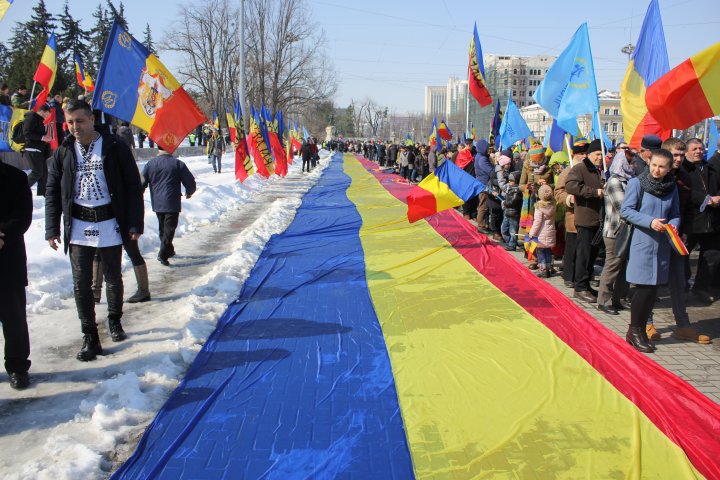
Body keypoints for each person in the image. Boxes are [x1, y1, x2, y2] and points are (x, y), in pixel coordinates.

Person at [45, 100, 144, 361]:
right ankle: (90, 336)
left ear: (91, 120)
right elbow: (52, 191)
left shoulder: (114, 147)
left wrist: (135, 223)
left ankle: (114, 320)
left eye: (80, 121)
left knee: (113, 275)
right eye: (69, 122)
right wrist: (51, 227)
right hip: (78, 225)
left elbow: (134, 187)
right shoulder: (64, 151)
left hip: (110, 222)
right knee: (81, 284)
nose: (75, 127)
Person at [621, 149, 680, 353]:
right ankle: (634, 330)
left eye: (662, 166)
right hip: (643, 242)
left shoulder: (671, 187)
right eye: (654, 165)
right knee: (643, 289)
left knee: (653, 290)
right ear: (649, 162)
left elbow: (675, 213)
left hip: (662, 244)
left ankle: (641, 331)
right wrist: (650, 222)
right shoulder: (637, 183)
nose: (657, 169)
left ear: (669, 168)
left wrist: (673, 226)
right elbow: (626, 210)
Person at [663, 138, 711, 343]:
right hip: (655, 235)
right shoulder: (652, 176)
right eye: (675, 154)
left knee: (679, 280)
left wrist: (685, 232)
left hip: (677, 236)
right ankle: (644, 323)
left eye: (681, 155)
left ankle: (682, 325)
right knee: (651, 284)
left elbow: (689, 209)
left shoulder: (684, 176)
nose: (679, 158)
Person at [0, 162, 33, 389]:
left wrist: (3, 234)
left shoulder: (15, 177)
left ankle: (18, 366)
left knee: (13, 320)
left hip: (7, 258)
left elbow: (23, 216)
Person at [679, 138, 720, 304]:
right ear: (687, 151)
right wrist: (705, 199)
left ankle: (700, 287)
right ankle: (681, 290)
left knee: (712, 255)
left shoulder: (709, 167)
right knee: (683, 257)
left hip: (710, 220)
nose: (698, 151)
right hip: (691, 221)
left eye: (701, 149)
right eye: (694, 149)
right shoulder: (682, 170)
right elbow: (685, 191)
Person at [142, 146, 196, 266]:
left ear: (158, 150)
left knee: (163, 227)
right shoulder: (178, 164)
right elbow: (190, 181)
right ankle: (163, 254)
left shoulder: (150, 164)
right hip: (172, 202)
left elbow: (142, 182)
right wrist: (189, 191)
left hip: (157, 202)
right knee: (169, 228)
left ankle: (169, 250)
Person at [596, 149, 635, 315]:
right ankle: (603, 300)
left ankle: (619, 298)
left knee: (624, 267)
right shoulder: (614, 181)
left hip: (629, 230)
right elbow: (623, 208)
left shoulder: (631, 180)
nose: (633, 165)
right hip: (615, 230)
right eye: (630, 162)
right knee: (612, 265)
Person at [565, 139, 604, 302]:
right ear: (589, 154)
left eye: (602, 154)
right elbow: (571, 186)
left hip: (597, 220)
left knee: (592, 255)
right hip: (585, 219)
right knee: (584, 255)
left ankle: (586, 285)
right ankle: (579, 287)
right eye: (597, 154)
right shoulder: (580, 168)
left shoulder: (599, 170)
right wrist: (595, 192)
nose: (600, 157)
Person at [22, 104, 52, 196]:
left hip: (38, 149)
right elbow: (27, 133)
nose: (47, 116)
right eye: (46, 114)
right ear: (42, 111)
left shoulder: (38, 120)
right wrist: (42, 137)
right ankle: (20, 188)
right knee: (37, 172)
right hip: (32, 148)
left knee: (44, 173)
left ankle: (43, 193)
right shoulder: (31, 118)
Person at [529, 184, 557, 277]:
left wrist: (532, 233)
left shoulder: (539, 207)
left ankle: (543, 269)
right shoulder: (552, 205)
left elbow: (538, 222)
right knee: (548, 251)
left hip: (541, 234)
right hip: (550, 232)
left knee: (540, 251)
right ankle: (549, 268)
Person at [501, 170, 522, 251]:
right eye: (509, 180)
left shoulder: (517, 190)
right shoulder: (509, 188)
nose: (509, 182)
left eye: (512, 180)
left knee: (513, 230)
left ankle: (512, 244)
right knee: (503, 229)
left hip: (514, 213)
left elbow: (513, 201)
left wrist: (505, 203)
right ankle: (509, 241)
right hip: (507, 212)